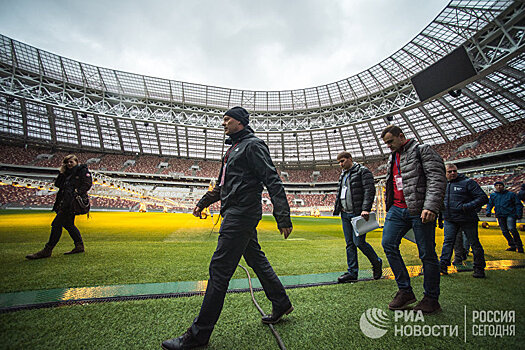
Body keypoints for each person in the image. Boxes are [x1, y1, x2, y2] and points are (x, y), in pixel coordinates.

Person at [162, 107, 293, 350]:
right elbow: (223, 187)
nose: (223, 123)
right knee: (256, 259)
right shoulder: (232, 149)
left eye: (227, 119)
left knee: (220, 270)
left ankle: (198, 335)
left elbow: (272, 179)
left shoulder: (253, 145)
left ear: (240, 122)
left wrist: (282, 216)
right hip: (234, 211)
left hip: (241, 214)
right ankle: (281, 302)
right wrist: (202, 203)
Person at [380, 125, 446, 314]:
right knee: (388, 244)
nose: (388, 146)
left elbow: (436, 178)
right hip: (397, 209)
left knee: (426, 253)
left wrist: (430, 206)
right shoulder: (392, 157)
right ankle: (405, 291)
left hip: (419, 209)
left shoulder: (422, 150)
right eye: (386, 143)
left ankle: (431, 298)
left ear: (401, 136)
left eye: (390, 142)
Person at [26, 154, 92, 259]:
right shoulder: (66, 173)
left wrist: (76, 193)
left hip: (71, 202)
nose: (69, 164)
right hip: (64, 201)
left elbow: (87, 184)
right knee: (69, 224)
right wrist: (61, 173)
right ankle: (79, 245)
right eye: (67, 162)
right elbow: (58, 184)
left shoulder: (82, 171)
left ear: (76, 162)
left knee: (56, 224)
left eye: (71, 162)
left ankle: (48, 250)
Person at [333, 151, 382, 282]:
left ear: (350, 158)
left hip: (357, 213)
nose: (340, 164)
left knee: (359, 242)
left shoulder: (362, 171)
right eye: (339, 162)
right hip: (345, 213)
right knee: (349, 244)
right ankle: (352, 272)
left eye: (342, 161)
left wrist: (366, 208)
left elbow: (369, 190)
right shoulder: (343, 174)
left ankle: (376, 262)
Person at [439, 164, 488, 278]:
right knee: (448, 242)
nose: (452, 173)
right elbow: (441, 203)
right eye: (449, 172)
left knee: (474, 243)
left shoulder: (468, 182)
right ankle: (443, 266)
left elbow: (483, 198)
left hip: (468, 219)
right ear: (444, 173)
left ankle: (479, 268)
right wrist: (441, 218)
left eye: (454, 171)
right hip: (450, 219)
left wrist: (466, 207)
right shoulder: (442, 185)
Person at [486, 181, 523, 253]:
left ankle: (519, 246)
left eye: (500, 185)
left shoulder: (511, 194)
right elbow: (490, 204)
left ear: (503, 186)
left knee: (512, 229)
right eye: (497, 185)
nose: (498, 187)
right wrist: (488, 211)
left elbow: (518, 204)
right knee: (504, 231)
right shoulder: (493, 195)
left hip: (510, 214)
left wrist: (519, 213)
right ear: (495, 187)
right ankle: (512, 245)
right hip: (500, 215)